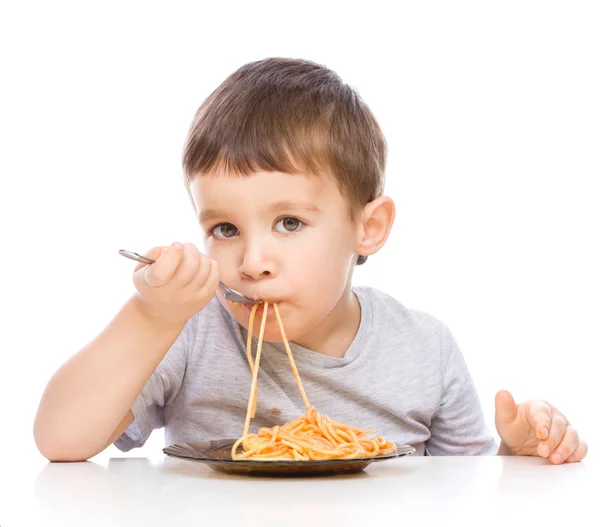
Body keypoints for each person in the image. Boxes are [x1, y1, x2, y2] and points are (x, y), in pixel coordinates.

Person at [34, 58, 587, 464]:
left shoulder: (426, 350)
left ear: (367, 228)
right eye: (224, 229)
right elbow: (59, 441)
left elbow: (468, 493)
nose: (252, 262)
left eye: (289, 223)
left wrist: (520, 460)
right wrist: (150, 316)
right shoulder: (191, 335)